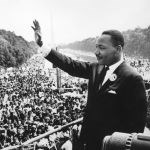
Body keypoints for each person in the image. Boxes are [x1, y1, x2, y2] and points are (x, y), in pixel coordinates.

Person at [31, 20, 147, 150]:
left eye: (102, 48)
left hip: (109, 145)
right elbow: (70, 65)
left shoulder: (132, 78)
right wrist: (41, 44)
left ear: (118, 49)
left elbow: (136, 127)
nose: (96, 52)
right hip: (87, 142)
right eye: (96, 47)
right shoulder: (96, 68)